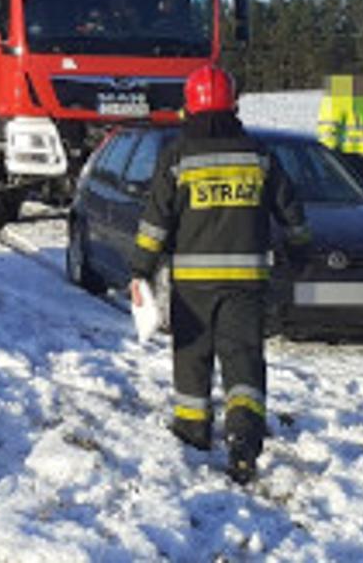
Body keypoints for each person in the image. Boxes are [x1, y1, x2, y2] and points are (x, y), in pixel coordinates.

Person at [130, 64, 312, 484]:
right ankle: (244, 441)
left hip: (193, 285)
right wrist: (300, 251)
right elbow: (292, 212)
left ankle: (193, 431)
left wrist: (141, 269)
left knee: (192, 358)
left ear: (188, 107)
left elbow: (156, 221)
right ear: (233, 104)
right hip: (246, 283)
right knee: (243, 358)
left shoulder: (176, 156)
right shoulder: (258, 155)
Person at [316, 74, 363, 184]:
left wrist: (327, 160)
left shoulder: (337, 95)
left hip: (345, 161)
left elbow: (327, 131)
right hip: (361, 161)